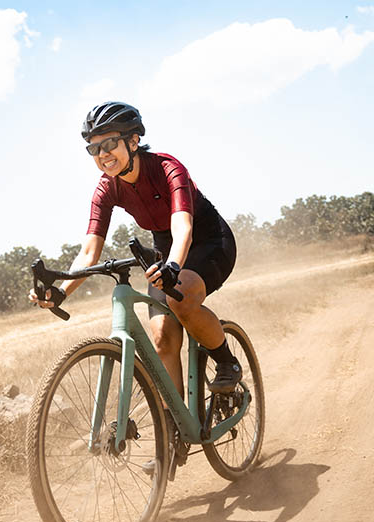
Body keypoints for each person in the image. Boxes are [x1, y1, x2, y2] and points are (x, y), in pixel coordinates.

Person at [29, 101, 241, 397]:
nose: (103, 155)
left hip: (209, 241)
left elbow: (183, 228)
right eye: (94, 149)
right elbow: (89, 251)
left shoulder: (167, 168)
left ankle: (227, 362)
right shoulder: (107, 189)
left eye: (110, 144)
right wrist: (62, 291)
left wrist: (174, 268)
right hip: (166, 254)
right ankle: (175, 426)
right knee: (162, 337)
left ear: (133, 140)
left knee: (180, 302)